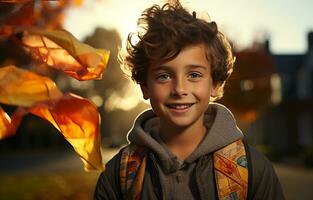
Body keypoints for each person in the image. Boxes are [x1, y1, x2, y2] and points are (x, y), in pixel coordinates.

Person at [94, 1, 285, 199]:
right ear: (145, 86)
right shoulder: (119, 175)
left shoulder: (253, 171)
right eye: (163, 76)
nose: (179, 89)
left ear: (216, 84)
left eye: (194, 75)